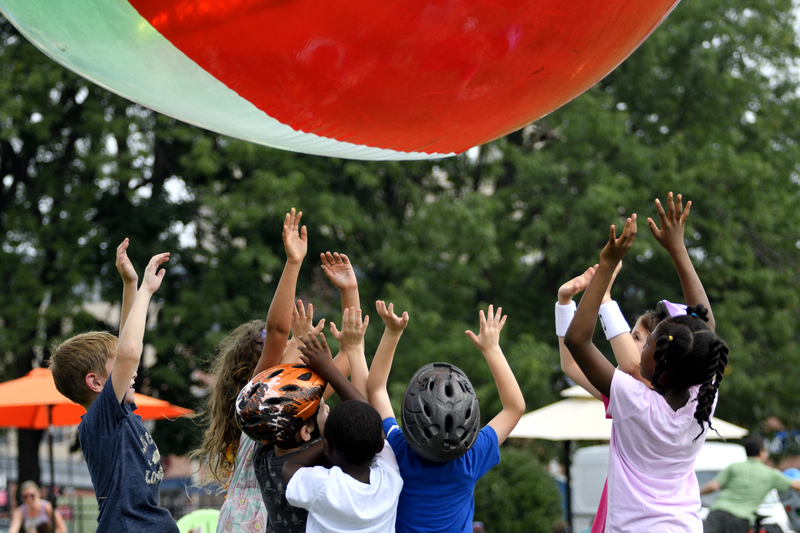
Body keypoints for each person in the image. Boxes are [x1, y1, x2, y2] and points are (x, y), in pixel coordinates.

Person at [564, 202, 729, 532]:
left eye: (649, 341)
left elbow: (577, 342)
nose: (642, 344)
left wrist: (606, 267)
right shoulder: (703, 401)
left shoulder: (633, 399)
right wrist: (678, 249)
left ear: (660, 366)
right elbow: (705, 331)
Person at [49, 241, 177, 532]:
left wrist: (130, 283)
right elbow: (129, 353)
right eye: (118, 368)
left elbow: (124, 347)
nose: (130, 371)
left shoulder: (121, 415)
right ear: (95, 383)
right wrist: (146, 291)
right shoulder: (99, 422)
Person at [366, 302, 525, 533]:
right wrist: (492, 348)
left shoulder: (399, 451)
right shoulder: (471, 459)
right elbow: (515, 407)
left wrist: (392, 332)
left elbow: (376, 389)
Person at [281, 312, 403, 533]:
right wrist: (329, 369)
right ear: (377, 447)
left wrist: (327, 369)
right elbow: (372, 424)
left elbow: (290, 466)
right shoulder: (390, 481)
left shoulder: (323, 487)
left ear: (328, 447)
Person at [701, 434, 800, 533]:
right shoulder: (771, 474)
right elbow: (796, 485)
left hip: (718, 511)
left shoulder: (734, 467)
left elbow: (714, 486)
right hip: (740, 518)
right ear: (761, 452)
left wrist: (697, 493)